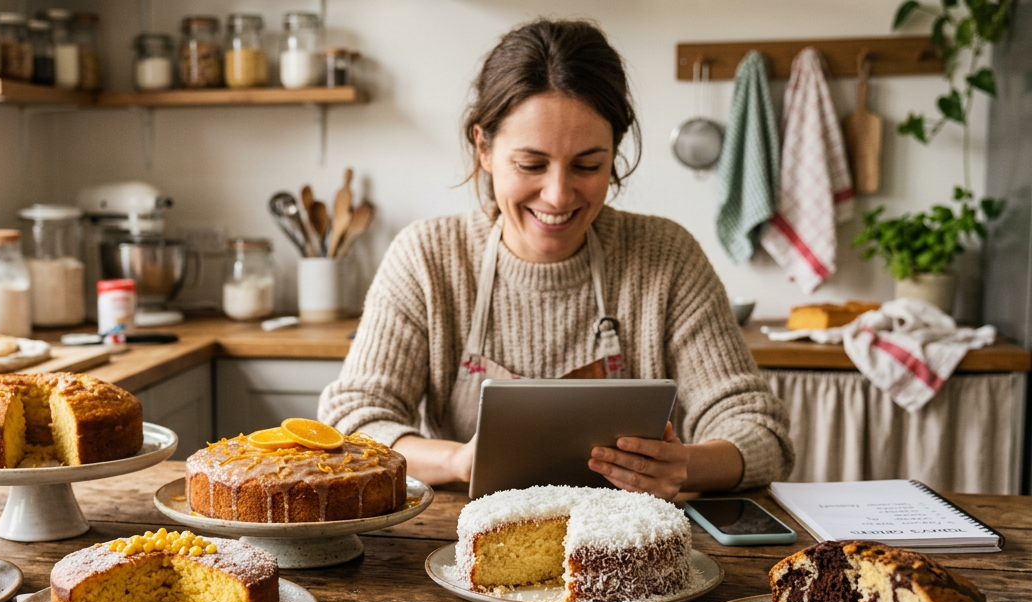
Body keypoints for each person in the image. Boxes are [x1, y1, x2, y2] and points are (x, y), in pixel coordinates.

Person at [318, 19, 793, 501]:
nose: (558, 194)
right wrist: (459, 461)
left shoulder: (667, 257)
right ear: (483, 148)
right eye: (531, 164)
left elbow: (760, 430)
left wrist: (684, 467)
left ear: (615, 153)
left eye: (588, 165)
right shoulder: (427, 258)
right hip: (461, 536)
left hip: (632, 538)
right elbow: (352, 423)